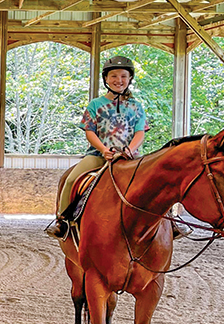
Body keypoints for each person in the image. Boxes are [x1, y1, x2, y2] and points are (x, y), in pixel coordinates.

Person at [46, 55, 148, 240]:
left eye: (124, 76)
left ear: (130, 79)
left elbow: (140, 132)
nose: (119, 80)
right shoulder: (96, 105)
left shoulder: (136, 106)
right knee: (70, 180)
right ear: (106, 79)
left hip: (130, 157)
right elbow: (90, 131)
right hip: (99, 155)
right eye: (114, 76)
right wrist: (103, 150)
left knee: (156, 180)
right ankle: (62, 221)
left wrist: (129, 150)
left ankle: (170, 222)